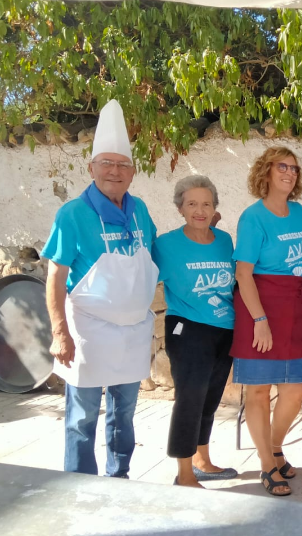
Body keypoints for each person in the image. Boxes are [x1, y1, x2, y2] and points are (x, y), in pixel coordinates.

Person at [43, 99, 159, 478]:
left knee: (124, 415)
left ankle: (118, 476)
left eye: (122, 165)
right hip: (88, 333)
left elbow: (152, 259)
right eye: (106, 163)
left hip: (133, 332)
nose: (114, 171)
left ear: (133, 171)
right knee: (82, 417)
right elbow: (55, 276)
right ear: (92, 168)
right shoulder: (73, 214)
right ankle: (79, 486)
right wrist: (60, 332)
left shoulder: (139, 209)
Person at [229, 146, 302, 496]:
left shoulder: (299, 214)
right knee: (259, 392)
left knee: (295, 391)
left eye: (294, 168)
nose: (289, 172)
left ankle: (275, 446)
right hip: (261, 306)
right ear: (266, 172)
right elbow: (243, 273)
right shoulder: (253, 217)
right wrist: (259, 319)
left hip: (297, 308)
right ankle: (267, 464)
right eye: (282, 166)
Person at [152, 175, 237, 487]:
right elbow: (138, 274)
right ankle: (184, 474)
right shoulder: (164, 246)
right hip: (187, 330)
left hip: (224, 329)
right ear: (180, 209)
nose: (199, 210)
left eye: (206, 203)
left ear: (214, 207)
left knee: (210, 399)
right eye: (192, 204)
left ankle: (202, 460)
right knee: (190, 399)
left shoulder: (225, 240)